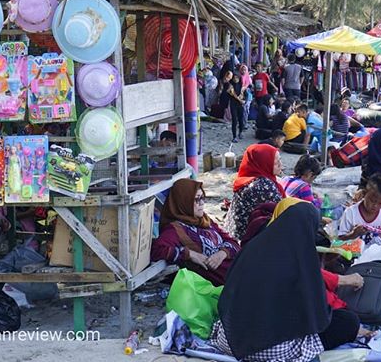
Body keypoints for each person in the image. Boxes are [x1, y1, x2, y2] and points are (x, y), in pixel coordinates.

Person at [213, 201, 361, 361]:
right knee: (348, 322)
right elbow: (316, 311)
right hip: (269, 348)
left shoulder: (252, 247)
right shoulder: (299, 261)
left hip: (229, 339)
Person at [151, 179, 240, 286]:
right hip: (227, 282)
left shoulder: (204, 220)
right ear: (184, 201)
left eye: (202, 198)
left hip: (236, 271)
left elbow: (233, 242)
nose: (202, 203)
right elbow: (156, 251)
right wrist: (189, 254)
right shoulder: (175, 230)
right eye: (197, 199)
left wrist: (222, 254)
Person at [224, 144, 284, 239]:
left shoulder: (246, 178)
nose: (281, 165)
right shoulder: (263, 186)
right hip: (246, 240)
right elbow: (283, 211)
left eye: (280, 159)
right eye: (276, 162)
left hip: (232, 232)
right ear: (264, 163)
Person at [225, 72, 245, 143]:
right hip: (233, 104)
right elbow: (229, 93)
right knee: (234, 120)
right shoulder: (231, 85)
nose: (236, 79)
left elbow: (243, 94)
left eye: (237, 78)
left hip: (240, 104)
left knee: (241, 119)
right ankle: (234, 136)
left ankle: (240, 132)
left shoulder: (241, 85)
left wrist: (242, 99)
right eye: (234, 78)